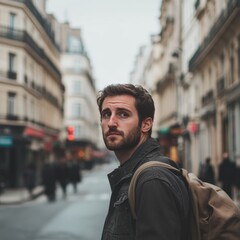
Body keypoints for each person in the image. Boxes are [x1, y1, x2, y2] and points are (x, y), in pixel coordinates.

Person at [97, 84, 190, 240]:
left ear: (146, 124)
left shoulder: (152, 180)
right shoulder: (134, 174)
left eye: (123, 114)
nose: (111, 123)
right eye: (106, 114)